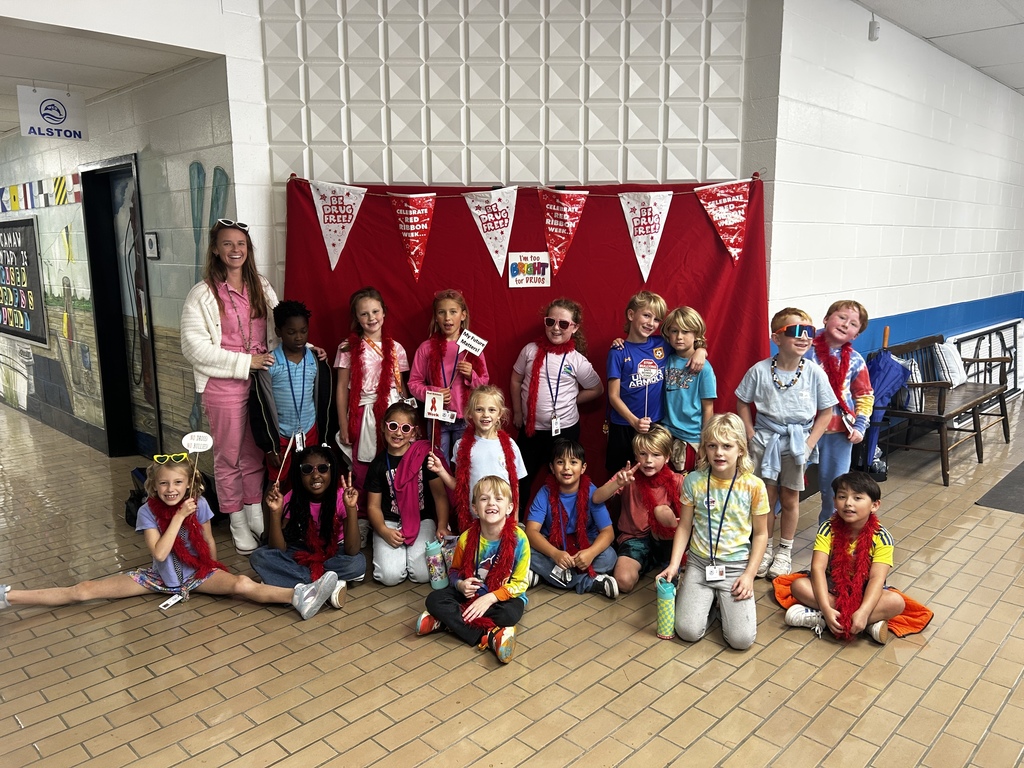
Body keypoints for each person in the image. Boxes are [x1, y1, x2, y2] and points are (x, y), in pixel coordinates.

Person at [0, 454, 337, 620]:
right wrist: (178, 517)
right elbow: (160, 554)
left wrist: (213, 568)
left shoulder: (200, 504)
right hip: (156, 578)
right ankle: (10, 596)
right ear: (154, 486)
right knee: (84, 590)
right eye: (164, 484)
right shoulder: (150, 512)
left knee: (241, 585)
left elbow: (207, 542)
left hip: (197, 576)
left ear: (188, 484)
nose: (171, 489)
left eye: (178, 483)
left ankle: (300, 596)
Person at [181, 219, 276, 556]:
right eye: (228, 244)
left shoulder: (261, 285)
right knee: (228, 457)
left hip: (258, 383)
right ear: (215, 249)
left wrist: (304, 350)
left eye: (241, 244)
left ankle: (253, 513)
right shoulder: (203, 293)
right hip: (223, 385)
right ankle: (235, 519)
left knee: (254, 453)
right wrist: (244, 362)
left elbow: (279, 330)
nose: (235, 250)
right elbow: (194, 348)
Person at [735, 307, 837, 579]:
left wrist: (808, 444)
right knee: (765, 498)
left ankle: (784, 550)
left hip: (796, 444)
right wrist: (749, 432)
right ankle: (764, 547)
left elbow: (826, 411)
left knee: (790, 498)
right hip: (764, 440)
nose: (804, 337)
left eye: (809, 332)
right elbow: (742, 401)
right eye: (795, 332)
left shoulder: (814, 373)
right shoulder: (759, 371)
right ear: (776, 338)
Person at [656, 414, 769, 650]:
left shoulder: (754, 486)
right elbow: (685, 526)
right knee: (687, 631)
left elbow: (760, 534)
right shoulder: (694, 481)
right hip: (699, 564)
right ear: (705, 448)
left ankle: (721, 604)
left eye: (727, 446)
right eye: (712, 446)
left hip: (737, 567)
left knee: (741, 641)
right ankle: (709, 604)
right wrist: (675, 565)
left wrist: (749, 575)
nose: (719, 453)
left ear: (740, 449)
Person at [415, 476, 530, 664]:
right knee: (434, 599)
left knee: (509, 615)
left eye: (498, 499)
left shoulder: (520, 540)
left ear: (509, 508)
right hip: (471, 594)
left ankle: (446, 622)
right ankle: (491, 635)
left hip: (503, 597)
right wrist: (460, 585)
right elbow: (454, 572)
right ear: (475, 508)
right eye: (484, 498)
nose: (491, 503)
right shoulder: (467, 538)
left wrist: (490, 597)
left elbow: (520, 583)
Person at [785, 472, 905, 644]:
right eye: (842, 497)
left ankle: (837, 619)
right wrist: (826, 607)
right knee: (798, 586)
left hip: (865, 592)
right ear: (834, 502)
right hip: (831, 588)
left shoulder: (882, 537)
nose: (848, 503)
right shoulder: (827, 528)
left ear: (875, 505)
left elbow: (876, 578)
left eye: (857, 498)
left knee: (896, 602)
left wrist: (863, 611)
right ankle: (862, 623)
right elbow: (818, 568)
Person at [511, 298, 604, 515]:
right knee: (520, 477)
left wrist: (571, 400)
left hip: (564, 430)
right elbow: (516, 380)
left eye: (563, 324)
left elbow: (597, 389)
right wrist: (517, 411)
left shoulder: (576, 360)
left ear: (574, 327)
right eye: (550, 321)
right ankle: (516, 521)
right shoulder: (530, 350)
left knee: (566, 479)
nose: (555, 328)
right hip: (531, 430)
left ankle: (564, 521)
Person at [251, 445, 365, 608]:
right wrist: (275, 513)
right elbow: (278, 548)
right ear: (299, 474)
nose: (316, 475)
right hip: (301, 550)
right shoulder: (292, 497)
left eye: (323, 468)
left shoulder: (341, 496)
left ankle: (293, 582)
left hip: (333, 552)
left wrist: (351, 508)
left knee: (357, 563)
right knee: (259, 557)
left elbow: (352, 550)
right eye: (307, 469)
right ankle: (326, 586)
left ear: (331, 471)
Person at [335, 286, 410, 519]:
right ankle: (363, 515)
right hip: (363, 412)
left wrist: (409, 416)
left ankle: (392, 512)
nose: (371, 318)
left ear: (384, 313)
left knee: (395, 459)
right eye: (364, 314)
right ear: (356, 317)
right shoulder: (347, 348)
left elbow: (401, 386)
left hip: (392, 410)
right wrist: (344, 424)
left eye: (375, 312)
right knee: (363, 464)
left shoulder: (397, 349)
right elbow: (341, 389)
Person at [249, 300, 333, 492]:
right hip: (281, 437)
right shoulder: (268, 364)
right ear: (278, 331)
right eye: (291, 332)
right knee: (277, 483)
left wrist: (324, 436)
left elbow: (324, 401)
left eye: (303, 331)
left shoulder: (315, 360)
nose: (298, 337)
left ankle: (305, 521)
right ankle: (274, 523)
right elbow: (258, 409)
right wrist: (270, 447)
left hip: (309, 431)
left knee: (309, 481)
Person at [365, 401, 452, 585]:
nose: (398, 433)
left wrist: (442, 525)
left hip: (421, 519)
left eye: (405, 428)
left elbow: (440, 496)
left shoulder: (424, 458)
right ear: (383, 426)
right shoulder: (378, 465)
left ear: (413, 433)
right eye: (393, 426)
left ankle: (408, 556)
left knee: (422, 575)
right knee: (389, 577)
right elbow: (373, 506)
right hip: (389, 521)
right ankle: (396, 556)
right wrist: (383, 530)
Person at [524, 438, 619, 598]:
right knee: (526, 551)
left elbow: (608, 532)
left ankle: (545, 575)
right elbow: (531, 531)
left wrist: (590, 553)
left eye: (573, 462)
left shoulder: (591, 491)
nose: (566, 468)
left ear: (583, 468)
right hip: (554, 546)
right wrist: (555, 554)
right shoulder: (545, 492)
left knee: (609, 557)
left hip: (583, 545)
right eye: (560, 462)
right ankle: (588, 582)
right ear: (552, 468)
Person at [808, 300, 874, 526]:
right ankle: (762, 530)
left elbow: (864, 395)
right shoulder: (805, 350)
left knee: (836, 489)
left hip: (839, 433)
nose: (846, 325)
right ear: (826, 319)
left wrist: (860, 425)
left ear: (856, 335)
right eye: (842, 317)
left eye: (854, 324)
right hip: (803, 430)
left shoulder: (855, 360)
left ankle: (829, 533)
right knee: (784, 482)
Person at [428, 385, 527, 532]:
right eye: (479, 409)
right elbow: (459, 487)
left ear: (500, 414)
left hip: (502, 520)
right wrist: (441, 470)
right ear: (470, 413)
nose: (485, 415)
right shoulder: (461, 446)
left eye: (491, 410)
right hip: (474, 521)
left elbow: (515, 487)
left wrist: (516, 518)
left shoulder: (510, 445)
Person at [408, 289, 488, 462]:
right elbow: (414, 383)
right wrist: (432, 391)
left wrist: (471, 375)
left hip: (465, 417)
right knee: (438, 463)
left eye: (453, 312)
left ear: (463, 315)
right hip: (437, 419)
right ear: (436, 317)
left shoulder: (472, 347)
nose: (447, 318)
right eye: (442, 312)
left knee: (465, 463)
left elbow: (484, 384)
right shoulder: (426, 348)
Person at [606, 425, 681, 593]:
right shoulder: (627, 477)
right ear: (635, 455)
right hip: (634, 538)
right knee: (623, 582)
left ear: (667, 457)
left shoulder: (676, 480)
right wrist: (618, 483)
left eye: (656, 455)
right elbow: (596, 497)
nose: (648, 460)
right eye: (643, 454)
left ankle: (668, 560)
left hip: (663, 540)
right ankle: (646, 561)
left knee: (662, 511)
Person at [660, 306, 716, 473]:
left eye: (686, 332)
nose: (679, 337)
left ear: (696, 334)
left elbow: (708, 408)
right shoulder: (664, 358)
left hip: (691, 437)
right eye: (674, 331)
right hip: (666, 433)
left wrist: (705, 442)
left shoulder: (704, 368)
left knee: (688, 485)